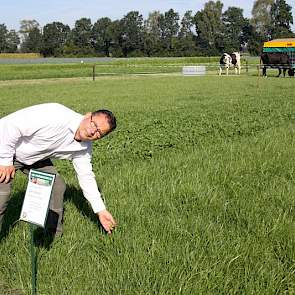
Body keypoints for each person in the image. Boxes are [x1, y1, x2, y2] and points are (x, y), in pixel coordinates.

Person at [0, 103, 117, 237]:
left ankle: (52, 235)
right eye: (94, 124)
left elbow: (86, 177)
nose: (92, 131)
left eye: (99, 133)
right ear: (88, 115)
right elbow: (9, 126)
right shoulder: (56, 115)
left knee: (57, 186)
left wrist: (100, 210)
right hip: (5, 146)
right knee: (2, 195)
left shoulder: (84, 148)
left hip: (33, 157)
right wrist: (4, 160)